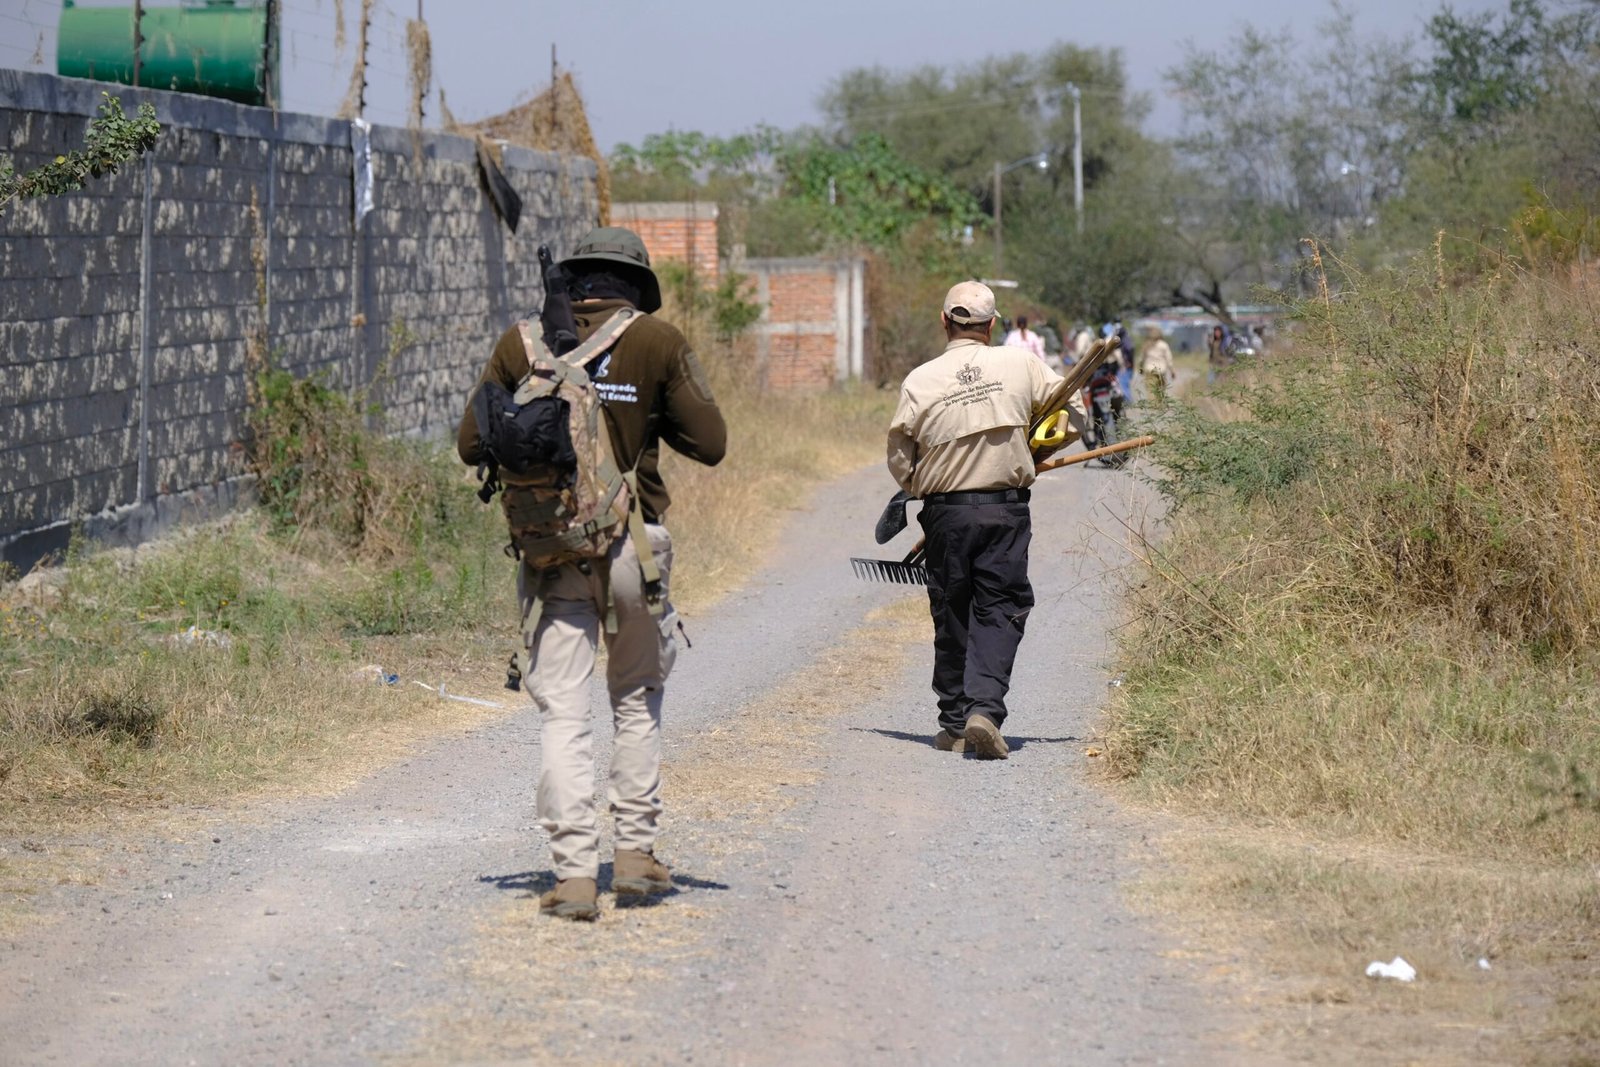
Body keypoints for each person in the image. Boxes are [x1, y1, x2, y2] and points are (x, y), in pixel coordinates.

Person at [457, 226, 727, 921]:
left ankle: (575, 874)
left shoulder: (521, 344)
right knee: (635, 696)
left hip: (551, 555)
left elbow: (468, 443)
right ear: (636, 286)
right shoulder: (656, 341)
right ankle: (635, 857)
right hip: (634, 550)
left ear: (573, 282)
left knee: (564, 711)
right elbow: (712, 443)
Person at [886, 281, 1066, 761]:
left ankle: (953, 722)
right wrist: (1036, 450)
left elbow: (901, 461)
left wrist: (922, 488)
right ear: (992, 325)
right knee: (999, 605)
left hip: (945, 514)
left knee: (952, 608)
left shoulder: (920, 380)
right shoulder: (1022, 364)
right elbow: (1069, 415)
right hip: (1006, 508)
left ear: (944, 321)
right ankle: (983, 711)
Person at [1139, 325, 1175, 404]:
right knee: (1161, 388)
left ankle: (1153, 406)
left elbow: (1141, 359)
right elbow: (1169, 359)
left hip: (1149, 370)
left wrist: (1141, 369)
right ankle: (1160, 404)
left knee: (1151, 389)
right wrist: (1172, 371)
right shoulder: (1163, 345)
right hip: (1161, 370)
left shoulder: (1146, 345)